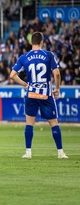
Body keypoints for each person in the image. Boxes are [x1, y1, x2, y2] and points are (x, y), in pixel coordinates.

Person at [9, 31, 68, 159]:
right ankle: (60, 153)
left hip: (31, 93)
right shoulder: (48, 55)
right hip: (46, 94)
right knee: (54, 123)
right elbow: (57, 74)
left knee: (29, 123)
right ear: (42, 42)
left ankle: (28, 152)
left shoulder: (24, 57)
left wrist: (25, 84)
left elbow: (12, 75)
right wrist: (57, 88)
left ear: (31, 42)